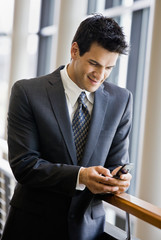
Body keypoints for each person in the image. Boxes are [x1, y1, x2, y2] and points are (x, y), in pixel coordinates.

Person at [1, 14, 133, 240]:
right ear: (74, 51)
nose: (100, 76)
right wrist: (80, 176)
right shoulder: (27, 92)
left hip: (86, 231)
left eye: (109, 68)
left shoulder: (121, 100)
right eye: (94, 63)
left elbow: (116, 163)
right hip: (31, 227)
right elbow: (24, 165)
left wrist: (120, 179)